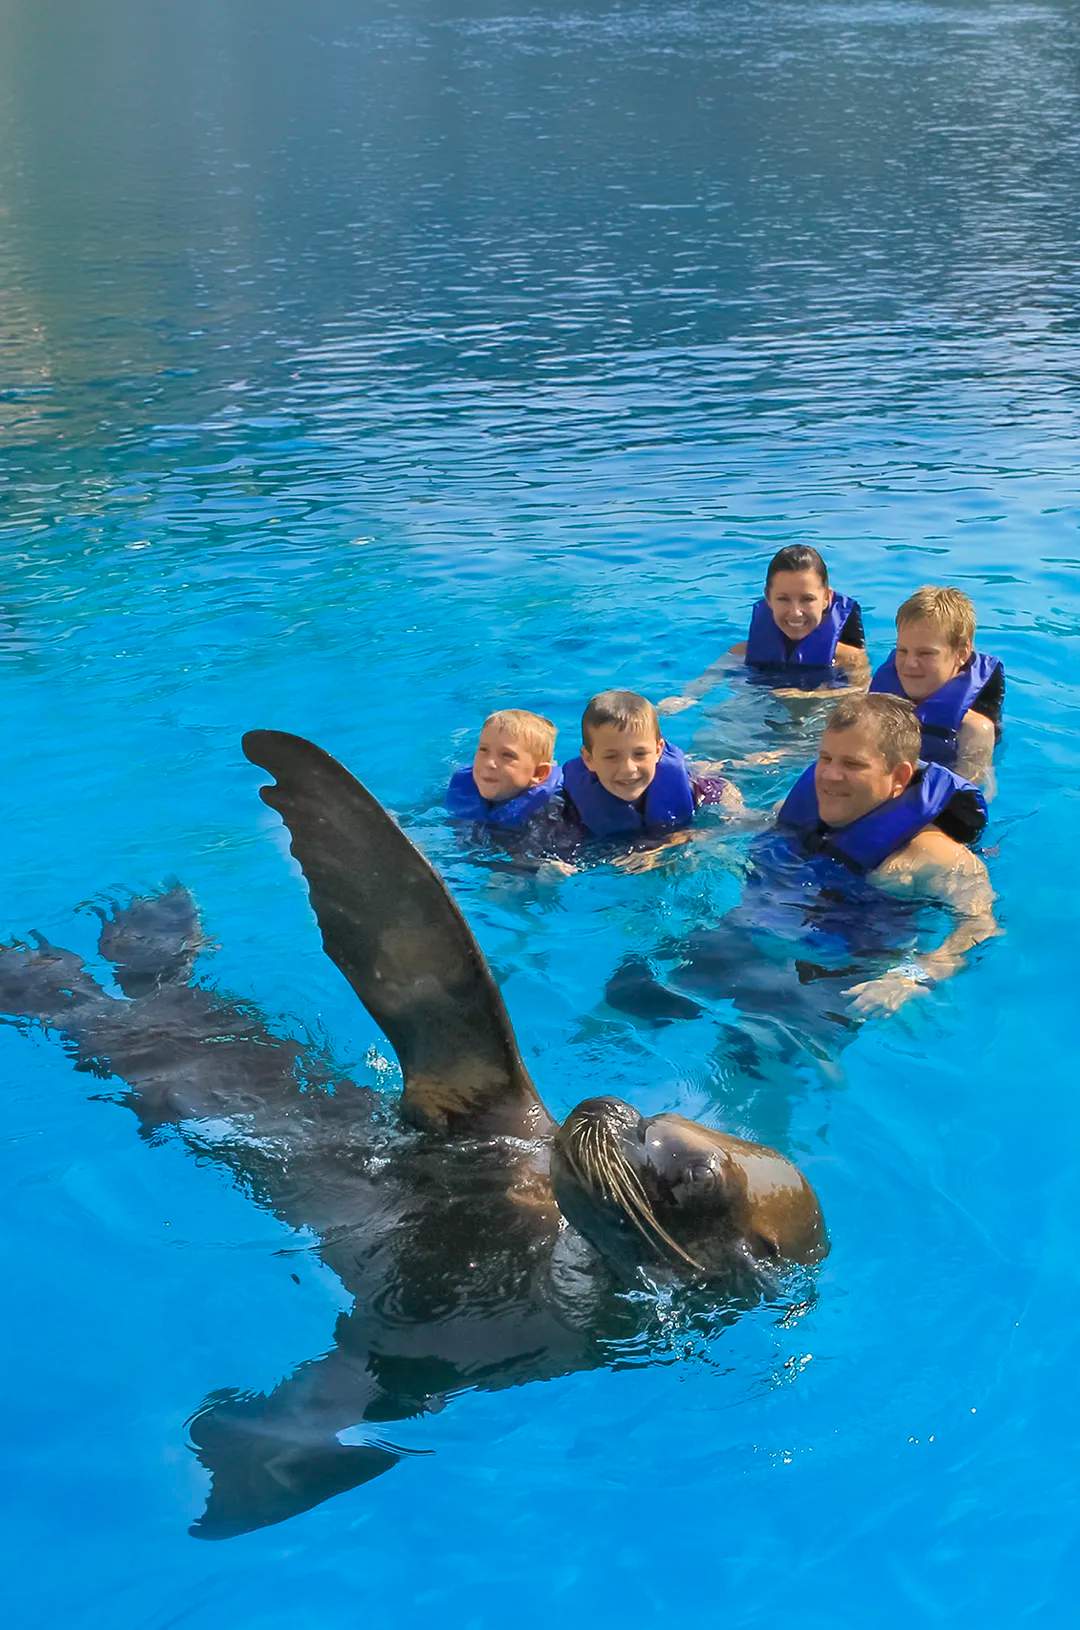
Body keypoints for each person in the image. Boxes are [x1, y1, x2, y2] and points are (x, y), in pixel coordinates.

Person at [607, 693, 998, 1037]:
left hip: (836, 972)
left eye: (852, 764)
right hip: (754, 934)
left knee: (755, 1052)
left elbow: (981, 925)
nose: (828, 775)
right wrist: (679, 842)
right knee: (631, 990)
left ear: (898, 778)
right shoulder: (803, 808)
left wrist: (912, 977)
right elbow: (747, 827)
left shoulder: (934, 857)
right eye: (825, 758)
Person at [658, 545, 867, 715]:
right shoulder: (742, 652)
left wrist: (809, 696)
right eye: (783, 599)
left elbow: (864, 695)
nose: (796, 612)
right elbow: (708, 679)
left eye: (807, 599)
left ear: (826, 599)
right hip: (758, 715)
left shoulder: (849, 659)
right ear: (768, 598)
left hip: (814, 726)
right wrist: (686, 698)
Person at [559, 690, 743, 868]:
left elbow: (726, 795)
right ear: (589, 759)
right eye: (611, 757)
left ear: (658, 751)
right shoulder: (569, 810)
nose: (628, 769)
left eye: (640, 754)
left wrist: (671, 843)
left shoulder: (691, 789)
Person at [868, 585, 1004, 780]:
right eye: (902, 651)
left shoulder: (974, 731)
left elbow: (964, 798)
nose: (909, 664)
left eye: (925, 653)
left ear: (961, 654)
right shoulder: (878, 697)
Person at [446, 709, 562, 831]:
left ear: (538, 773)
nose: (489, 763)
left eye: (507, 755)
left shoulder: (549, 817)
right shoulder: (462, 786)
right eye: (484, 750)